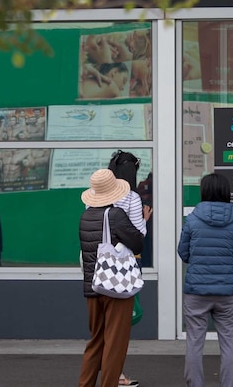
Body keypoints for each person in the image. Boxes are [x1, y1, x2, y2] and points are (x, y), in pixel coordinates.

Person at [178, 173, 233, 387]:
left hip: (196, 291)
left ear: (204, 191)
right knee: (228, 343)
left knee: (194, 343)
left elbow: (183, 252)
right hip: (227, 292)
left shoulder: (193, 219)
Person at [79, 169, 144, 387]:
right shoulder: (116, 215)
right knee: (115, 344)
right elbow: (137, 243)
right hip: (114, 287)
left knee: (96, 341)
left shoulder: (86, 216)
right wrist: (143, 220)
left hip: (92, 287)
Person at [107, 150, 150, 387]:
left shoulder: (97, 195)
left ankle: (105, 374)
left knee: (104, 324)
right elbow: (137, 236)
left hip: (98, 266)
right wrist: (144, 218)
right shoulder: (132, 198)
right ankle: (118, 376)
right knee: (121, 325)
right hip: (124, 265)